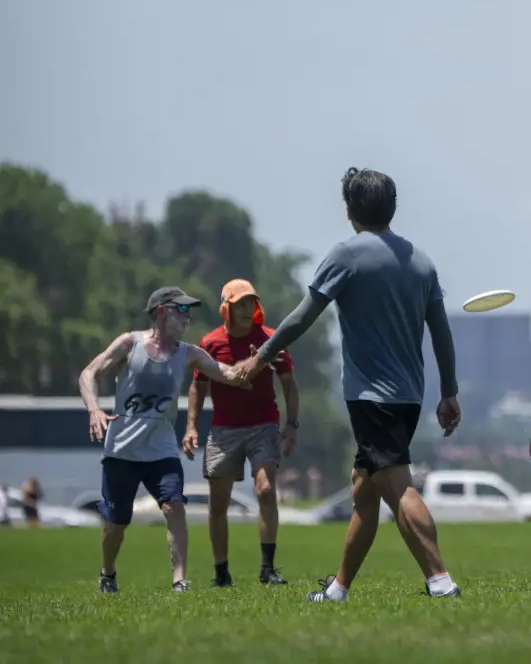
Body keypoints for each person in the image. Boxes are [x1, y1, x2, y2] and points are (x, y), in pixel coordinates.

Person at [232, 167, 463, 602]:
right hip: (410, 396)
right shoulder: (421, 261)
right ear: (393, 207)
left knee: (396, 484)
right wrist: (449, 391)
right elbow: (442, 333)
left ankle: (440, 580)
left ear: (351, 211)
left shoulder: (347, 256)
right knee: (364, 489)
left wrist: (261, 355)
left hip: (370, 396)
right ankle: (339, 588)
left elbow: (303, 316)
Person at [78, 286, 260, 593]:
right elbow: (88, 373)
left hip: (162, 451)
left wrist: (256, 363)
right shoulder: (129, 343)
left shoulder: (188, 354)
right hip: (122, 451)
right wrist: (94, 408)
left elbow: (228, 375)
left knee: (174, 506)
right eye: (182, 310)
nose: (188, 318)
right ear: (161, 312)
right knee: (117, 523)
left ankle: (179, 580)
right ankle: (107, 573)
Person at [184, 278, 300, 588]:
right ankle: (221, 572)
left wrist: (291, 425)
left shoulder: (271, 339)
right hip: (224, 430)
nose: (248, 309)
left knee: (265, 490)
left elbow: (289, 385)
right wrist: (192, 425)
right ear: (227, 309)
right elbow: (198, 386)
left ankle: (268, 569)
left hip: (264, 425)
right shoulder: (210, 343)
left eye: (251, 302)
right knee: (218, 505)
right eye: (241, 304)